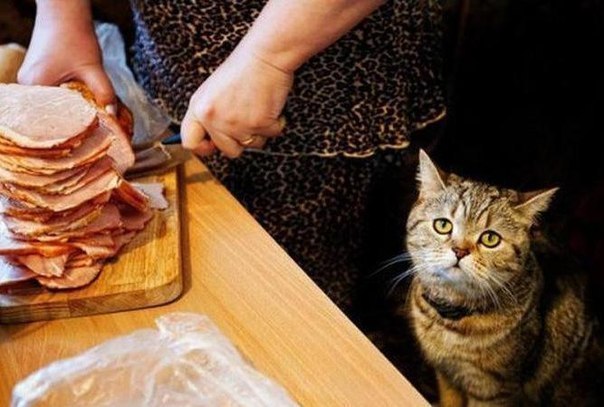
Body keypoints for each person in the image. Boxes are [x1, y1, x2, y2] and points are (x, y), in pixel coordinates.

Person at [19, 0, 444, 311]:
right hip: (168, 69)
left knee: (284, 312)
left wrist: (268, 57)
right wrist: (61, 16)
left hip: (327, 84)